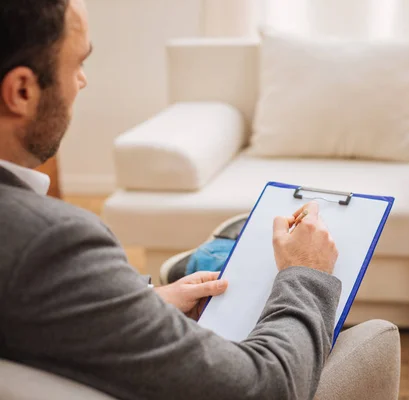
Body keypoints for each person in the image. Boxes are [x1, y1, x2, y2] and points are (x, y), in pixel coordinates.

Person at [0, 1, 346, 399]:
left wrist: (141, 301)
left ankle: (205, 257)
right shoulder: (51, 241)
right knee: (368, 338)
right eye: (77, 64)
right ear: (22, 91)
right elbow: (267, 387)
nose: (82, 81)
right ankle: (215, 253)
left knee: (217, 264)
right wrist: (307, 273)